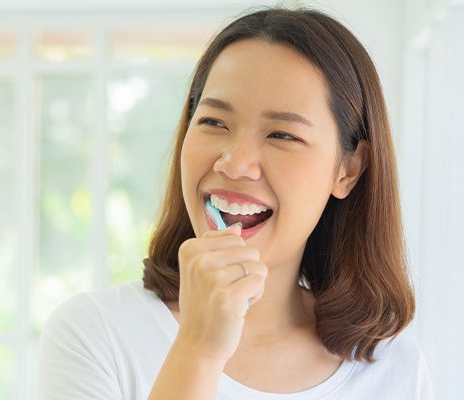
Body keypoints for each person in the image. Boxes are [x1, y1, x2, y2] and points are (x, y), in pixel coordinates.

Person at [35, 6, 435, 399]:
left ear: (347, 170)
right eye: (213, 122)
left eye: (282, 135)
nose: (234, 163)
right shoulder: (95, 335)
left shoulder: (394, 370)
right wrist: (199, 348)